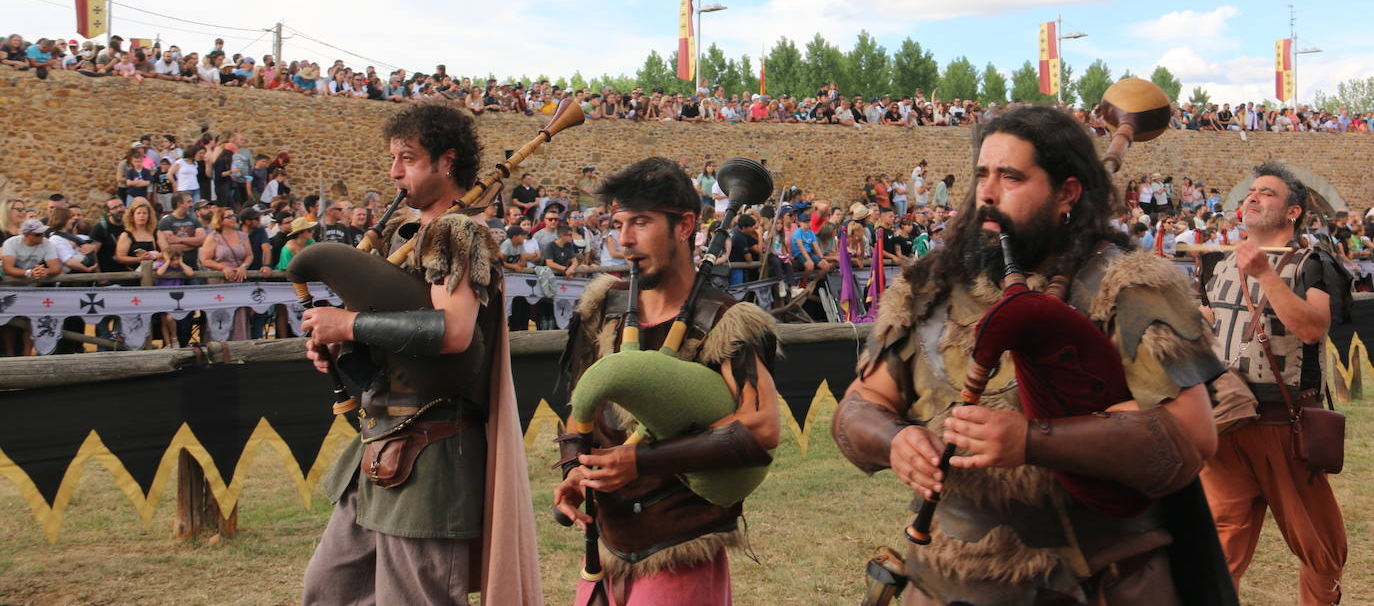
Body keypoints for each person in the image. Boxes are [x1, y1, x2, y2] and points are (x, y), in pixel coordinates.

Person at [830, 105, 1231, 605]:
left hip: (1097, 584)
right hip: (943, 582)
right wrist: (894, 440)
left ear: (1067, 193)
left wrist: (1033, 440)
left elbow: (1193, 438)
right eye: (982, 174)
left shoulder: (1126, 287)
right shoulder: (929, 288)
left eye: (1010, 176)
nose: (987, 193)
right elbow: (858, 405)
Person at [300, 101, 540, 605]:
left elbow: (453, 332)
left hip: (431, 457)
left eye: (406, 158)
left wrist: (349, 322)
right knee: (329, 591)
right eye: (393, 159)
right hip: (377, 446)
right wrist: (343, 344)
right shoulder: (399, 237)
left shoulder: (460, 232)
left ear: (446, 162)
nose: (394, 173)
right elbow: (391, 344)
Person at [553, 156, 780, 604]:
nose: (625, 240)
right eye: (618, 224)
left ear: (684, 226)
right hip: (607, 544)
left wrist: (640, 461)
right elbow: (583, 406)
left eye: (641, 222)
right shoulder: (603, 309)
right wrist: (576, 470)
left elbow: (761, 429)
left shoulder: (726, 321)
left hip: (680, 545)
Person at [1199, 163, 1349, 605]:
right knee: (1218, 552)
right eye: (1251, 191)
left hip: (1285, 429)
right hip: (1225, 426)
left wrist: (1266, 273)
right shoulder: (1217, 264)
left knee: (1323, 552)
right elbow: (1208, 323)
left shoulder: (1313, 263)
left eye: (1267, 193)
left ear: (1293, 212)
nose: (1252, 197)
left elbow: (1312, 328)